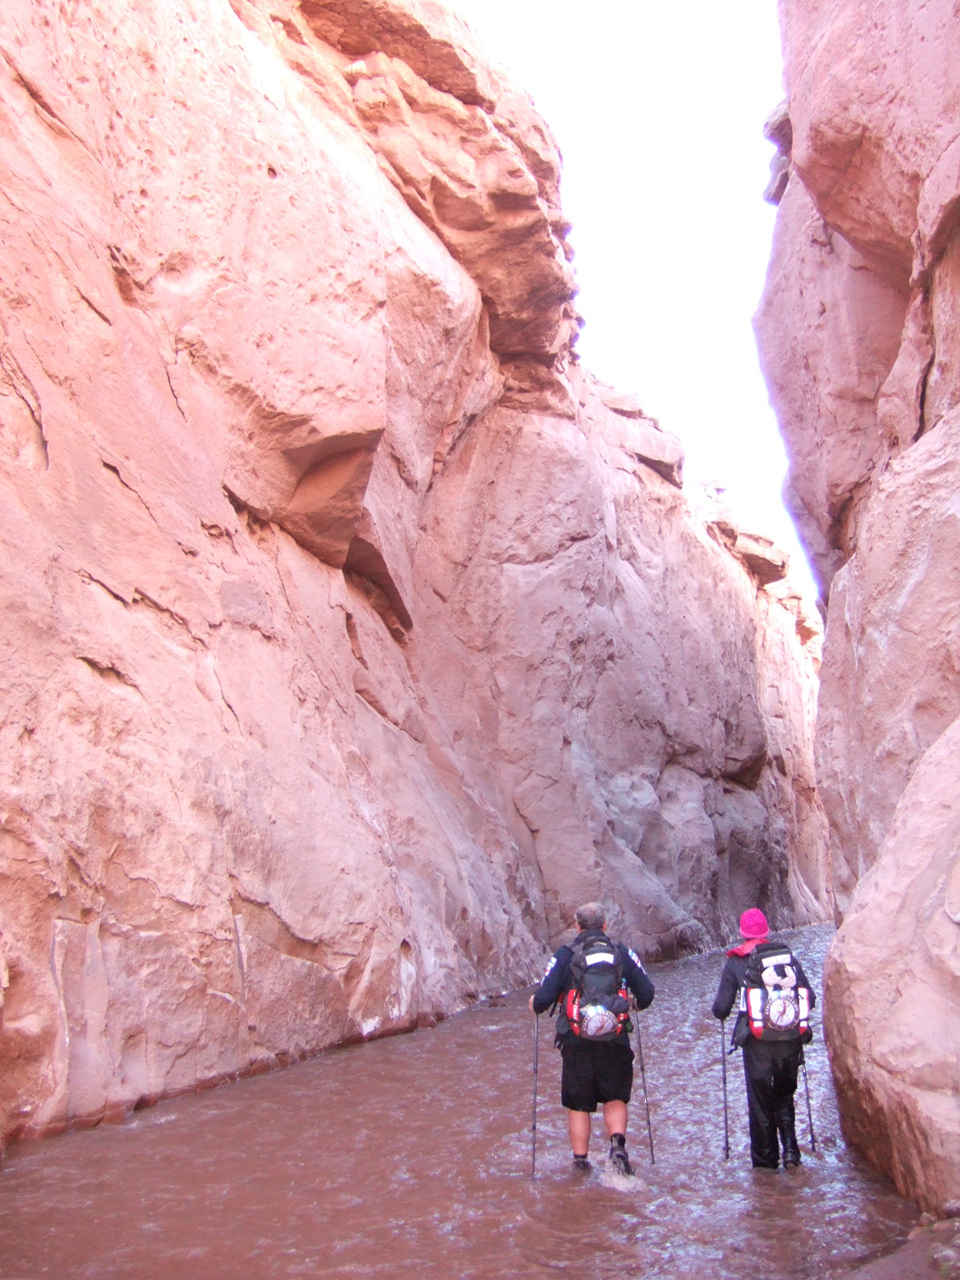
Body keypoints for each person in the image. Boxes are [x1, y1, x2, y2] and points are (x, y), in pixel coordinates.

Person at [529, 902, 654, 1174]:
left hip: (576, 1043)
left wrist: (533, 1004)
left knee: (578, 1104)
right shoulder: (622, 953)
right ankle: (617, 1146)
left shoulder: (565, 955)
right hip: (615, 1040)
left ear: (577, 926)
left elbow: (543, 999)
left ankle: (580, 1162)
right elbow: (647, 993)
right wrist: (632, 1003)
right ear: (605, 925)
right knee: (615, 1097)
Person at [711, 908, 815, 1171]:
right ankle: (791, 1151)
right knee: (784, 1095)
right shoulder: (786, 958)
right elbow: (809, 998)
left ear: (742, 934)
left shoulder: (735, 962)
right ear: (767, 932)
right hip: (790, 1039)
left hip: (756, 1042)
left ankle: (766, 1165)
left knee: (760, 1101)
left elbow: (721, 1008)